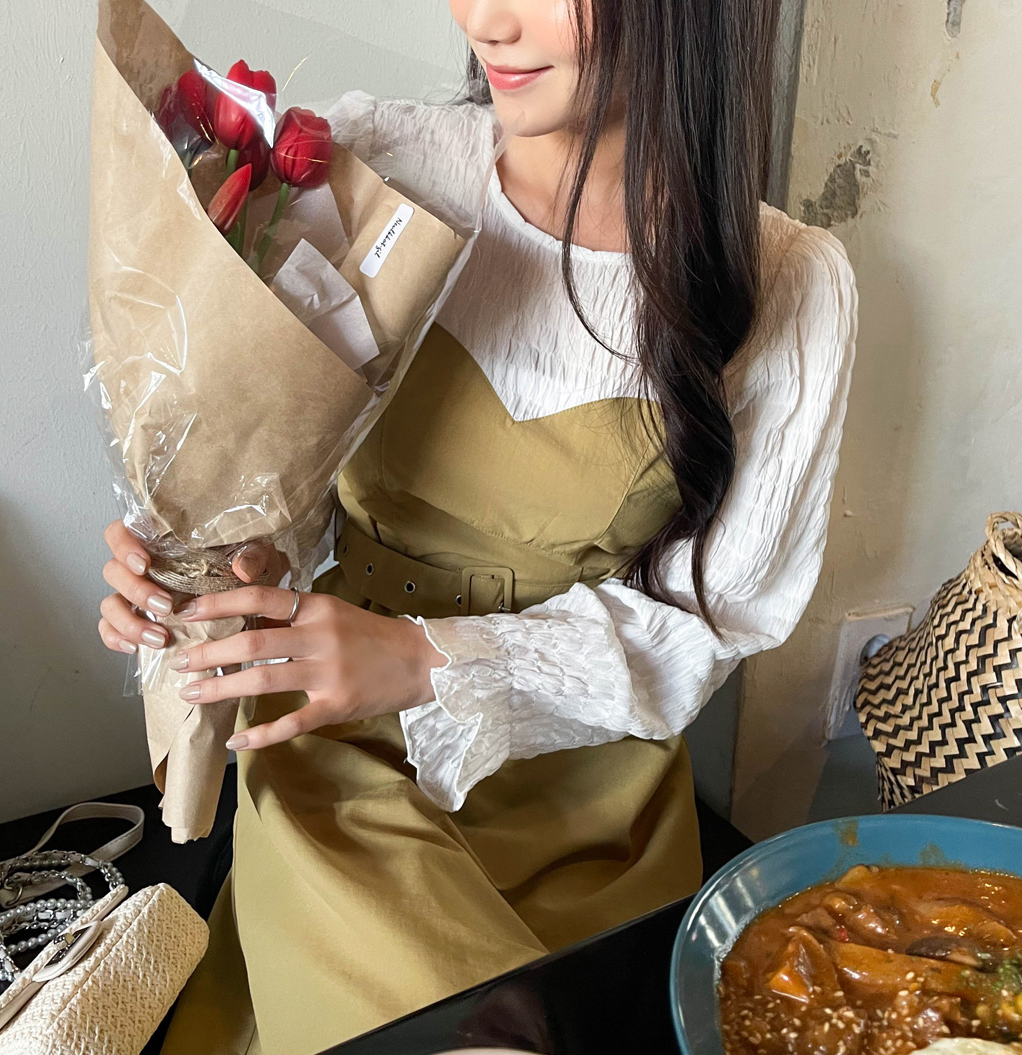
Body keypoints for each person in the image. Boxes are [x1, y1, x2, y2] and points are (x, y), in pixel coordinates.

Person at [98, 0, 857, 1052]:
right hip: (344, 757)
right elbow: (284, 493)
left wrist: (429, 657)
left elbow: (710, 622)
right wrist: (202, 557)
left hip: (591, 790)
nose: (484, 20)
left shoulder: (786, 282)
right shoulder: (373, 162)